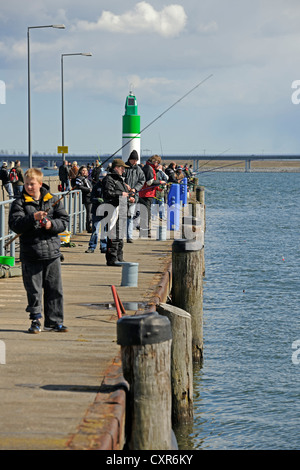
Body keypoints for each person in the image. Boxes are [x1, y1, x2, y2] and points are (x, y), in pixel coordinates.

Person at [8, 168, 69, 333]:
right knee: (33, 291)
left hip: (52, 253)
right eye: (26, 184)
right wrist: (33, 218)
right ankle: (36, 320)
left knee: (55, 289)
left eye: (32, 184)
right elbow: (15, 224)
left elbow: (63, 221)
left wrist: (50, 225)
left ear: (40, 184)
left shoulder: (53, 199)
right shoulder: (19, 203)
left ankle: (55, 321)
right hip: (31, 254)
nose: (28, 187)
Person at [102, 159, 131, 266]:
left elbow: (121, 194)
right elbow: (108, 193)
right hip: (112, 209)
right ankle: (112, 259)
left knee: (120, 235)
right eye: (122, 168)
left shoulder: (120, 180)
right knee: (113, 234)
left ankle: (119, 257)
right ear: (116, 168)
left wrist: (128, 197)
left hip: (121, 209)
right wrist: (121, 194)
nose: (123, 171)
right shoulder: (109, 179)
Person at [138, 155, 167, 237]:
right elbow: (149, 182)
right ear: (154, 161)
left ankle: (145, 231)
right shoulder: (149, 168)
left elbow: (150, 183)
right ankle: (145, 231)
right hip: (146, 194)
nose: (158, 164)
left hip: (148, 193)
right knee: (146, 213)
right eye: (157, 162)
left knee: (146, 213)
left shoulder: (150, 168)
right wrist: (161, 182)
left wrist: (158, 188)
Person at [124, 150, 145, 243]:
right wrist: (125, 186)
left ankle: (129, 236)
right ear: (130, 159)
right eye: (134, 160)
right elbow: (119, 179)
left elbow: (142, 180)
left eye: (136, 160)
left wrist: (135, 189)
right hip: (123, 195)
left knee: (130, 216)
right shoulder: (124, 167)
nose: (135, 162)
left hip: (133, 196)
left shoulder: (139, 170)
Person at [85, 172, 108, 254]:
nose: (102, 179)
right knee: (95, 230)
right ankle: (92, 247)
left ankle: (104, 246)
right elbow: (91, 198)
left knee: (104, 230)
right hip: (96, 210)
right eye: (101, 177)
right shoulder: (95, 186)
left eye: (103, 177)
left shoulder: (109, 186)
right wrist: (97, 200)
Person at [74, 166, 93, 232]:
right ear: (80, 171)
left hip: (90, 197)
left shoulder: (86, 178)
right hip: (86, 197)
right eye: (83, 170)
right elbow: (79, 186)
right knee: (89, 212)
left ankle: (90, 226)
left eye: (86, 170)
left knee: (91, 212)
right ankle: (89, 227)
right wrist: (89, 190)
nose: (85, 172)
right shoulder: (79, 178)